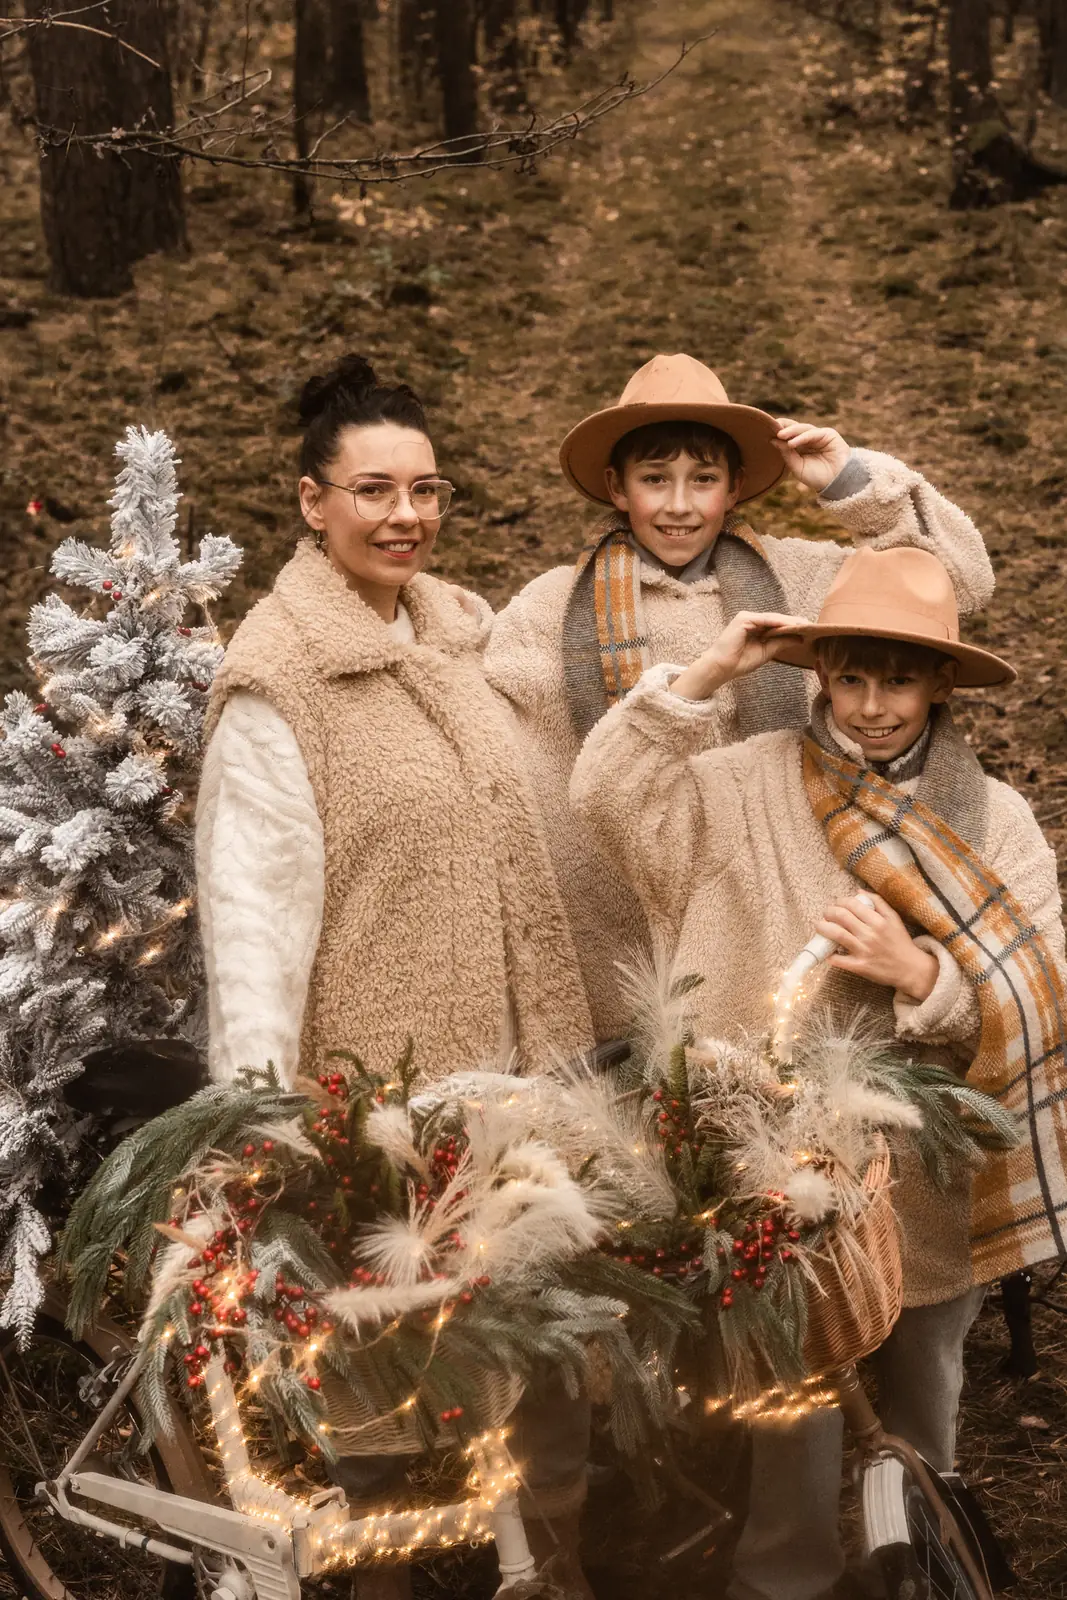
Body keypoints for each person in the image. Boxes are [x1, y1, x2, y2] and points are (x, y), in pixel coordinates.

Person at [569, 546, 1067, 1600]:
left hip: (921, 1177)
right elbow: (606, 794)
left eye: (898, 679)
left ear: (938, 684)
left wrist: (923, 973)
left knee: (925, 1384)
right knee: (786, 1398)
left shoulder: (993, 821)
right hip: (771, 1173)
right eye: (850, 676)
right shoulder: (736, 788)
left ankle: (924, 1562)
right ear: (818, 676)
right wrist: (702, 676)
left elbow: (1044, 978)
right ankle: (782, 1576)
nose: (873, 705)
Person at [195, 353, 595, 1600]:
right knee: (397, 1440)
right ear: (310, 501)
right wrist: (270, 1137)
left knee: (537, 1394)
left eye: (426, 490)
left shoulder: (450, 637)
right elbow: (252, 932)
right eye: (373, 490)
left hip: (513, 1101)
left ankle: (556, 1577)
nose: (405, 515)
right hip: (377, 1117)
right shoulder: (278, 690)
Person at [484, 353, 996, 1043]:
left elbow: (955, 585)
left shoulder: (805, 578)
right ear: (615, 485)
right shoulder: (548, 610)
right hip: (616, 923)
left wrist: (849, 482)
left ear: (734, 488)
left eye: (703, 480)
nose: (678, 504)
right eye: (653, 479)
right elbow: (491, 753)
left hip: (780, 908)